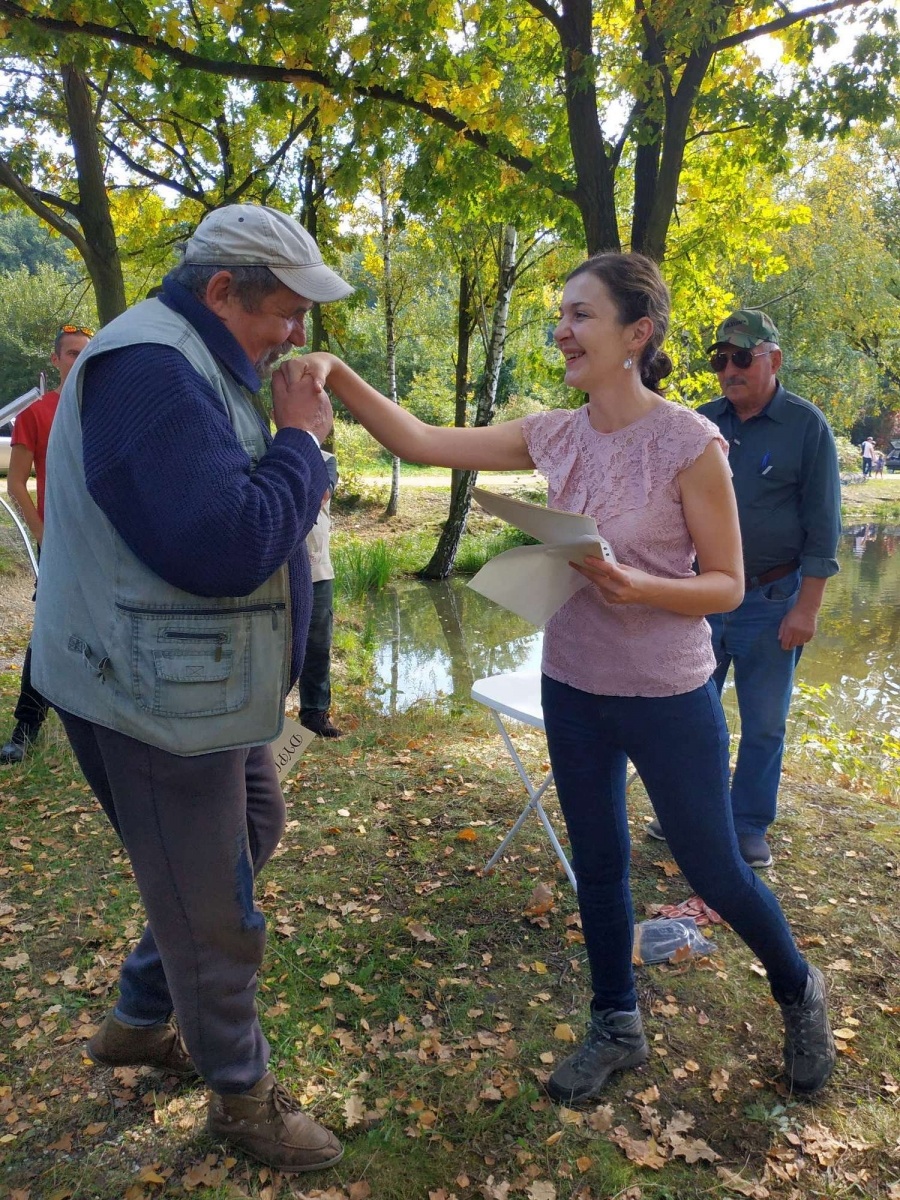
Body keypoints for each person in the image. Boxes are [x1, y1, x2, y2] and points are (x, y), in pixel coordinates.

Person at [288, 253, 836, 1105]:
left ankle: (800, 991)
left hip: (667, 694)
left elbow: (726, 585)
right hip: (574, 685)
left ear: (636, 335)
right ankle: (616, 1022)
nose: (562, 330)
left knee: (716, 868)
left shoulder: (690, 443)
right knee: (600, 858)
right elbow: (423, 441)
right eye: (560, 314)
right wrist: (338, 371)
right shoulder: (555, 431)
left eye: (581, 314)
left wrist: (638, 585)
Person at [31, 204, 352, 1174]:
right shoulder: (152, 371)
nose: (294, 334)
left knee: (255, 823)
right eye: (283, 313)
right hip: (152, 699)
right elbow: (228, 542)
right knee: (215, 907)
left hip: (202, 686)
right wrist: (302, 443)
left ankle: (137, 1014)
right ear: (221, 290)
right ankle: (242, 1100)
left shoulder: (200, 355)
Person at [649, 310, 841, 869]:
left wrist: (807, 607)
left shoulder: (808, 427)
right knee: (690, 713)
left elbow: (824, 528)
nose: (728, 370)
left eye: (740, 358)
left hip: (772, 599)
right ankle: (691, 812)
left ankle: (749, 822)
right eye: (719, 360)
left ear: (772, 360)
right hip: (703, 596)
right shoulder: (701, 424)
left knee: (763, 722)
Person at [1, 326, 92, 764]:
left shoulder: (109, 411)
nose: (79, 361)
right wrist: (42, 534)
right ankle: (25, 728)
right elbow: (16, 483)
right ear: (55, 362)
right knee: (49, 632)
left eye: (86, 354)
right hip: (60, 543)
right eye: (71, 354)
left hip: (108, 546)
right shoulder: (35, 415)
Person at [300, 450, 342, 737]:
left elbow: (320, 495)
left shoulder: (326, 459)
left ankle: (315, 714)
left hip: (317, 571)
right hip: (273, 569)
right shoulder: (264, 448)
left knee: (317, 645)